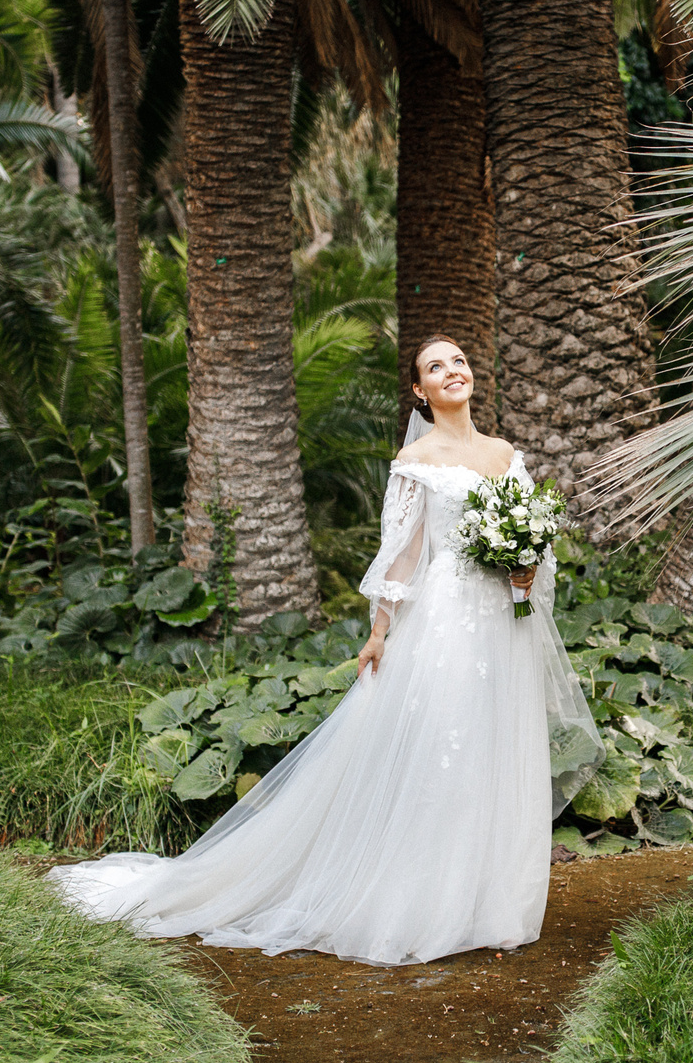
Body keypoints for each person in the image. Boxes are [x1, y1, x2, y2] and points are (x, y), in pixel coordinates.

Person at [49, 336, 600, 966]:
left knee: (497, 748)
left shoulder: (504, 454)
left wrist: (526, 569)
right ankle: (427, 905)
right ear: (419, 390)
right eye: (435, 366)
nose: (453, 371)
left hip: (505, 622)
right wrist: (379, 631)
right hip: (448, 621)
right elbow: (403, 553)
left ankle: (491, 906)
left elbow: (535, 541)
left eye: (460, 362)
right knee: (446, 750)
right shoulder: (416, 458)